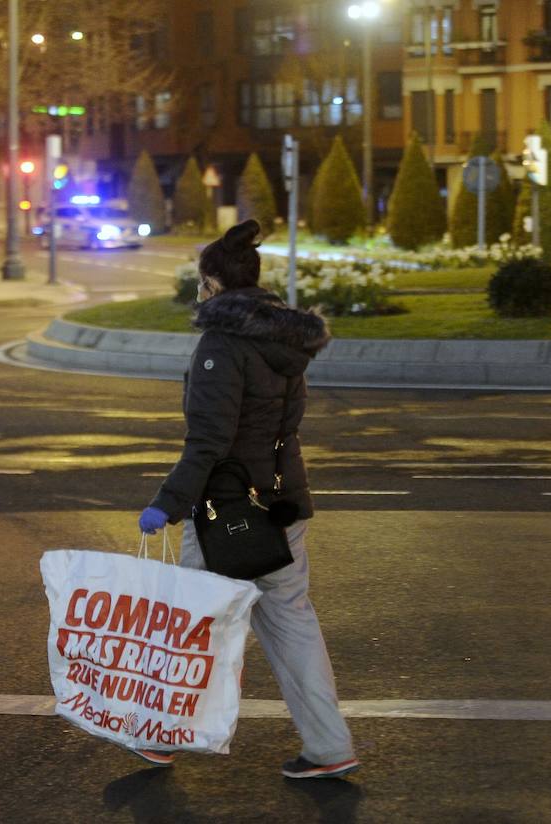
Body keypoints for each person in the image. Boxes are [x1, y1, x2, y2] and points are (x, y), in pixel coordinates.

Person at [137, 219, 359, 780]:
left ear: (214, 284)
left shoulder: (221, 345)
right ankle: (330, 747)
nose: (197, 288)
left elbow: (209, 440)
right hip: (282, 507)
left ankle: (161, 734)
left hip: (225, 514)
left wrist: (169, 502)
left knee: (192, 624)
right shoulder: (286, 341)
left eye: (200, 279)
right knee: (292, 624)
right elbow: (284, 427)